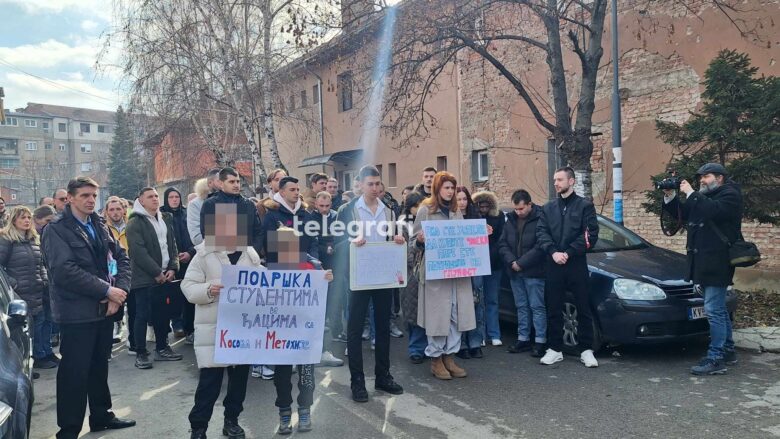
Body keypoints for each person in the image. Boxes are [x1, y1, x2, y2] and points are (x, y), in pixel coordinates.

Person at [41, 176, 134, 438]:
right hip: (76, 313)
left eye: (94, 195)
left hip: (105, 309)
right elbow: (63, 271)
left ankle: (101, 415)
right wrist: (106, 290)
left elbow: (121, 258)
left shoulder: (99, 224)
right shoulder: (57, 229)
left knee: (98, 367)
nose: (91, 200)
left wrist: (120, 292)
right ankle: (69, 429)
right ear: (69, 198)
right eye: (84, 195)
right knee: (74, 372)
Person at [181, 203, 257, 439]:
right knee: (209, 383)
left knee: (238, 382)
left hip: (241, 330)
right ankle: (199, 427)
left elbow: (266, 285)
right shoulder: (203, 254)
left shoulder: (250, 253)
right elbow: (188, 287)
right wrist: (209, 289)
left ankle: (231, 421)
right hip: (214, 329)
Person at [662, 163, 742, 375]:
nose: (701, 181)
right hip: (703, 262)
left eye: (706, 177)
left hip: (718, 262)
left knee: (714, 310)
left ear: (720, 178)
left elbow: (712, 210)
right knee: (719, 309)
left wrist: (690, 192)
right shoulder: (704, 197)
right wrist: (670, 196)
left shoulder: (730, 195)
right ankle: (728, 351)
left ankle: (715, 358)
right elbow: (685, 213)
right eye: (700, 178)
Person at [334, 165, 405, 402]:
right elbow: (337, 242)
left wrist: (397, 240)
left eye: (378, 184)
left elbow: (393, 239)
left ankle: (383, 376)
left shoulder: (389, 210)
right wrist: (352, 241)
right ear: (361, 185)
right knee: (355, 330)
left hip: (382, 276)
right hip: (358, 277)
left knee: (382, 326)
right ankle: (357, 382)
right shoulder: (347, 210)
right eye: (370, 184)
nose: (375, 188)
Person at [265, 226, 333, 434]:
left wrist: (326, 279)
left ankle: (305, 410)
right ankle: (284, 412)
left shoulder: (310, 267)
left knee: (307, 377)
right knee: (282, 378)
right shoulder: (269, 271)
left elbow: (320, 296)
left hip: (305, 334)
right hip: (281, 334)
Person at [413, 172, 476, 380]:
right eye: (447, 188)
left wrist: (480, 234)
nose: (450, 192)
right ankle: (436, 359)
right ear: (438, 188)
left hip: (457, 272)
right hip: (435, 273)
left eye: (452, 188)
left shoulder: (457, 211)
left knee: (457, 315)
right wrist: (420, 240)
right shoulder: (426, 211)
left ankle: (450, 356)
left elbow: (463, 238)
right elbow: (414, 241)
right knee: (438, 316)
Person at [536, 167, 599, 367]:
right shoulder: (548, 208)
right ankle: (555, 349)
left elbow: (590, 235)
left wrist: (569, 253)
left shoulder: (585, 206)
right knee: (553, 308)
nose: (556, 183)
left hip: (576, 264)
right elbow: (541, 233)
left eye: (560, 179)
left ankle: (586, 350)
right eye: (555, 179)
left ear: (571, 181)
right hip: (554, 264)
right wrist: (553, 252)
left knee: (583, 307)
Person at [127, 187, 182, 369]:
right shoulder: (135, 221)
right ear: (141, 200)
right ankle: (141, 352)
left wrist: (173, 267)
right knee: (142, 315)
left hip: (166, 275)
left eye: (157, 196)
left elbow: (172, 245)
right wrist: (156, 272)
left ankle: (162, 347)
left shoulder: (165, 217)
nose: (155, 199)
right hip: (145, 278)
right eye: (150, 197)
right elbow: (138, 252)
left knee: (162, 314)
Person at [0, 206, 54, 368]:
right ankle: (34, 358)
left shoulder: (33, 239)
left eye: (28, 218)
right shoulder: (6, 239)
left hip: (37, 289)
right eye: (22, 218)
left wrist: (44, 279)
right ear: (14, 220)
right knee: (27, 328)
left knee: (43, 321)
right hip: (19, 292)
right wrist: (13, 284)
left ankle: (45, 352)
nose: (26, 221)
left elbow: (41, 264)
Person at [498, 189, 547, 357]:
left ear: (529, 205)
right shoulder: (510, 220)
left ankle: (540, 341)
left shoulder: (541, 218)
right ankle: (523, 339)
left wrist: (521, 263)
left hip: (534, 272)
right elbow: (502, 243)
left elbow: (541, 246)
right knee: (521, 306)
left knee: (537, 306)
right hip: (515, 271)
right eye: (516, 209)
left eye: (521, 209)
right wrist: (512, 261)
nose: (518, 212)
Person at [306, 191, 345, 366]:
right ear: (315, 204)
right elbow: (311, 242)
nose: (323, 209)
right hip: (317, 262)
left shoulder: (337, 217)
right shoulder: (308, 218)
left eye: (327, 206)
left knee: (332, 302)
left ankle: (332, 335)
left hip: (334, 262)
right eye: (320, 206)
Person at [200, 167, 265, 256]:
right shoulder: (210, 204)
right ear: (221, 183)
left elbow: (258, 232)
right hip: (222, 260)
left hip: (248, 259)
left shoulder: (248, 204)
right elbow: (207, 235)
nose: (236, 185)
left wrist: (252, 252)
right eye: (231, 182)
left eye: (238, 181)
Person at [453, 186, 485, 360]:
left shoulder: (476, 217)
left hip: (475, 266)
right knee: (459, 306)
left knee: (477, 303)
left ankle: (475, 342)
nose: (462, 203)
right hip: (457, 268)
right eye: (458, 199)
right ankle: (461, 344)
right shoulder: (450, 219)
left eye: (464, 199)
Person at [161, 187, 197, 341]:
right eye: (171, 197)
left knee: (189, 295)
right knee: (174, 296)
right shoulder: (162, 215)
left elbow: (194, 235)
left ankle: (190, 328)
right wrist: (173, 258)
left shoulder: (187, 213)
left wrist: (190, 252)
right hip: (171, 262)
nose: (174, 200)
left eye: (177, 197)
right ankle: (177, 324)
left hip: (189, 258)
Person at [471, 190, 505, 347]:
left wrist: (490, 255)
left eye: (486, 205)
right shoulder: (472, 218)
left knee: (492, 299)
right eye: (480, 205)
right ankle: (481, 334)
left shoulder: (498, 218)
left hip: (494, 263)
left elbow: (501, 240)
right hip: (477, 264)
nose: (483, 208)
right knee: (478, 300)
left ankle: (494, 333)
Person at [399, 191, 427, 363]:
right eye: (418, 206)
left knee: (425, 311)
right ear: (411, 208)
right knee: (413, 311)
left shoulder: (426, 220)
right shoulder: (403, 224)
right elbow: (404, 250)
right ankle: (416, 348)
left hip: (426, 271)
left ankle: (426, 347)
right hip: (411, 273)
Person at [104, 196, 129, 344]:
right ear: (107, 212)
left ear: (124, 210)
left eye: (118, 209)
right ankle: (116, 325)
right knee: (115, 298)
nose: (115, 213)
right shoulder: (103, 227)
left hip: (129, 266)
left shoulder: (130, 225)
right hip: (111, 268)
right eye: (111, 209)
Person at [188, 168, 222, 246]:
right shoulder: (195, 204)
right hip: (211, 255)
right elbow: (196, 238)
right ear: (210, 183)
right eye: (219, 181)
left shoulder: (233, 201)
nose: (223, 184)